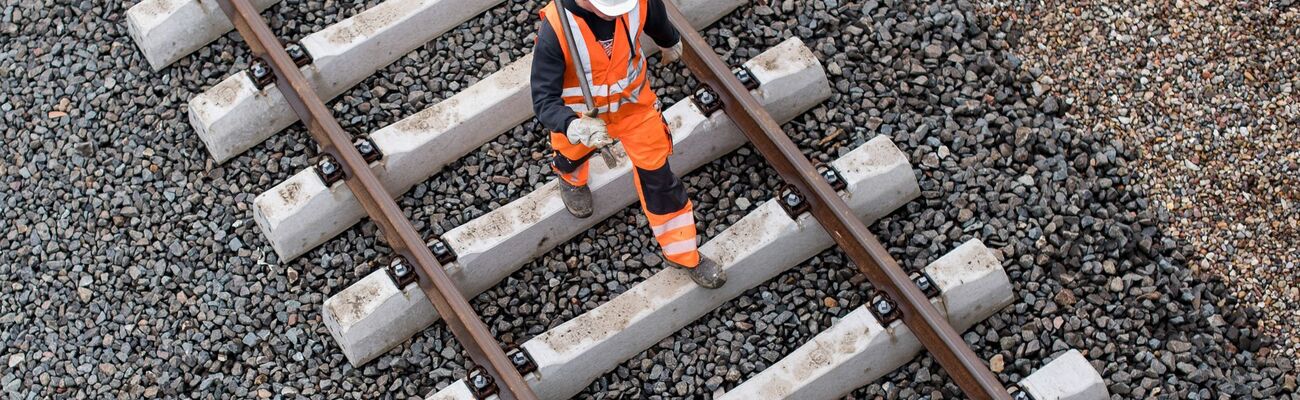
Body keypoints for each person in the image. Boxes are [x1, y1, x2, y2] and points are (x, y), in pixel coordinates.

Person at [530, 0, 725, 288]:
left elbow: (654, 16)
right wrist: (572, 125)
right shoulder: (556, 30)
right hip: (585, 117)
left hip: (635, 108)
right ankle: (571, 179)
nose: (620, 13)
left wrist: (668, 40)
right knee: (571, 153)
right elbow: (544, 100)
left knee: (660, 180)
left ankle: (683, 254)